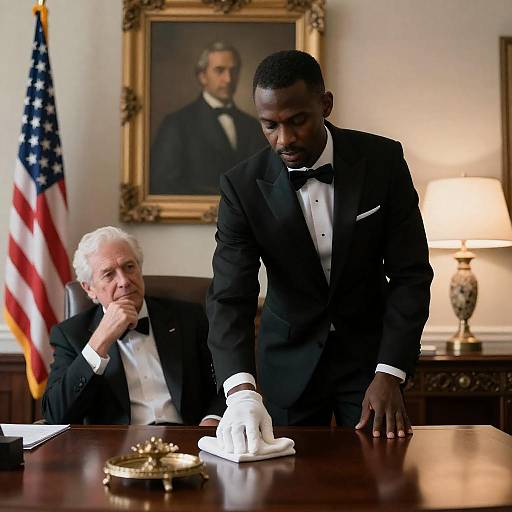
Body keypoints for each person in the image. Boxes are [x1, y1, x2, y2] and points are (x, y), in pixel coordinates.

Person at [206, 50, 433, 453]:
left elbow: (410, 274)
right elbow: (230, 297)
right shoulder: (241, 187)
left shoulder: (382, 161)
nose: (284, 139)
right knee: (283, 488)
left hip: (371, 362)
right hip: (285, 363)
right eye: (270, 126)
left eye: (297, 121)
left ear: (325, 105)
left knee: (380, 482)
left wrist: (391, 371)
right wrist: (240, 390)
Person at [42, 226, 224, 425]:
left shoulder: (189, 317)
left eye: (129, 267)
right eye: (109, 274)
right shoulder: (70, 335)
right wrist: (100, 341)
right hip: (116, 448)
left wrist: (212, 419)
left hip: (186, 442)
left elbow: (222, 382)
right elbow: (55, 415)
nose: (124, 281)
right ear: (89, 288)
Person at [150, 41, 267, 195]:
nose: (228, 79)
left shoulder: (252, 125)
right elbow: (164, 183)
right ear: (202, 76)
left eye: (234, 71)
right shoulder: (176, 124)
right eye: (220, 70)